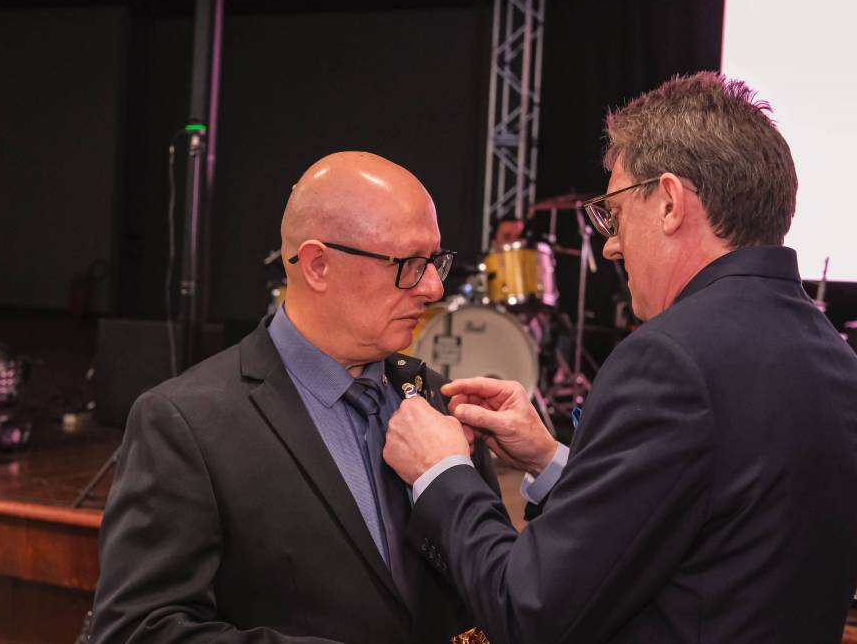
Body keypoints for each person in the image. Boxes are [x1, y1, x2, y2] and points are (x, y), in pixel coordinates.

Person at [383, 72, 857, 643]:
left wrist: (441, 471)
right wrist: (549, 460)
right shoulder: (832, 355)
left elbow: (528, 611)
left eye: (614, 213)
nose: (609, 244)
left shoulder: (670, 358)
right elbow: (703, 527)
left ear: (669, 203)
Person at [90, 151, 500, 642]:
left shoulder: (436, 397)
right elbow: (138, 629)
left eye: (435, 262)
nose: (433, 288)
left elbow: (486, 586)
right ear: (318, 265)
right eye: (410, 264)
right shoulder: (187, 421)